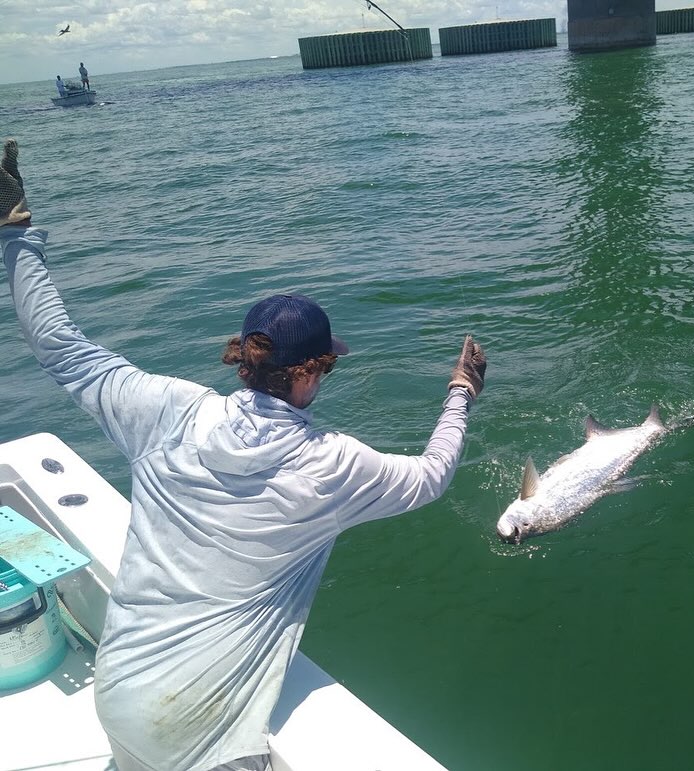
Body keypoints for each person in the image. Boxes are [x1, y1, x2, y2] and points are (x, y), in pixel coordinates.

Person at [0, 138, 487, 771]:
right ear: (310, 372)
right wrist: (460, 392)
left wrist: (16, 233)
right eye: (328, 366)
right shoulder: (332, 464)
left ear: (245, 358)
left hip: (117, 692)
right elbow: (431, 476)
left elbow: (58, 344)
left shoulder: (164, 408)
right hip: (201, 733)